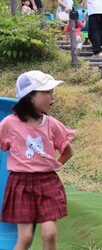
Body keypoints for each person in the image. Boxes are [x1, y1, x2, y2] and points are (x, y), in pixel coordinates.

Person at [0, 71, 75, 250]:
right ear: (30, 96)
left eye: (52, 93)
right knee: (25, 238)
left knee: (49, 233)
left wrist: (50, 167)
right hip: (20, 184)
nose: (52, 98)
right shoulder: (9, 124)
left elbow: (68, 152)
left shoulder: (51, 124)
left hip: (47, 182)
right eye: (47, 93)